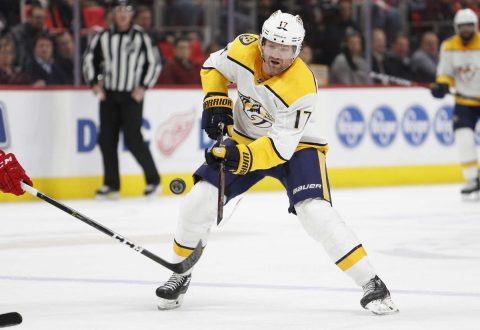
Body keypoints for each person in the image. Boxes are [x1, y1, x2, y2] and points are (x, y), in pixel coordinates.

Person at [155, 10, 399, 315]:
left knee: (315, 212)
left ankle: (371, 282)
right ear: (262, 42)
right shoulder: (244, 49)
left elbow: (280, 149)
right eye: (271, 45)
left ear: (296, 51)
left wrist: (239, 156)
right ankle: (181, 271)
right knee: (197, 202)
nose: (276, 54)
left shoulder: (301, 86)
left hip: (298, 147)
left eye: (285, 49)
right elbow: (212, 67)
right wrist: (216, 100)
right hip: (245, 138)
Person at [82, 0, 162, 198]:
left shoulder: (141, 37)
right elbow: (89, 60)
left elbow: (154, 63)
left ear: (131, 13)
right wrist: (94, 83)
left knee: (133, 139)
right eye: (119, 10)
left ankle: (153, 180)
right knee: (106, 140)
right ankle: (111, 184)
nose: (123, 14)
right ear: (113, 14)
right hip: (108, 95)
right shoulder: (103, 37)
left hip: (131, 96)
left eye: (126, 10)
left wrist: (143, 86)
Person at [431, 8, 480, 197]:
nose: (466, 29)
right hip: (464, 102)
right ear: (456, 27)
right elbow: (445, 73)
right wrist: (441, 86)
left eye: (469, 26)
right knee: (464, 138)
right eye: (462, 26)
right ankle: (471, 179)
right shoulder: (449, 46)